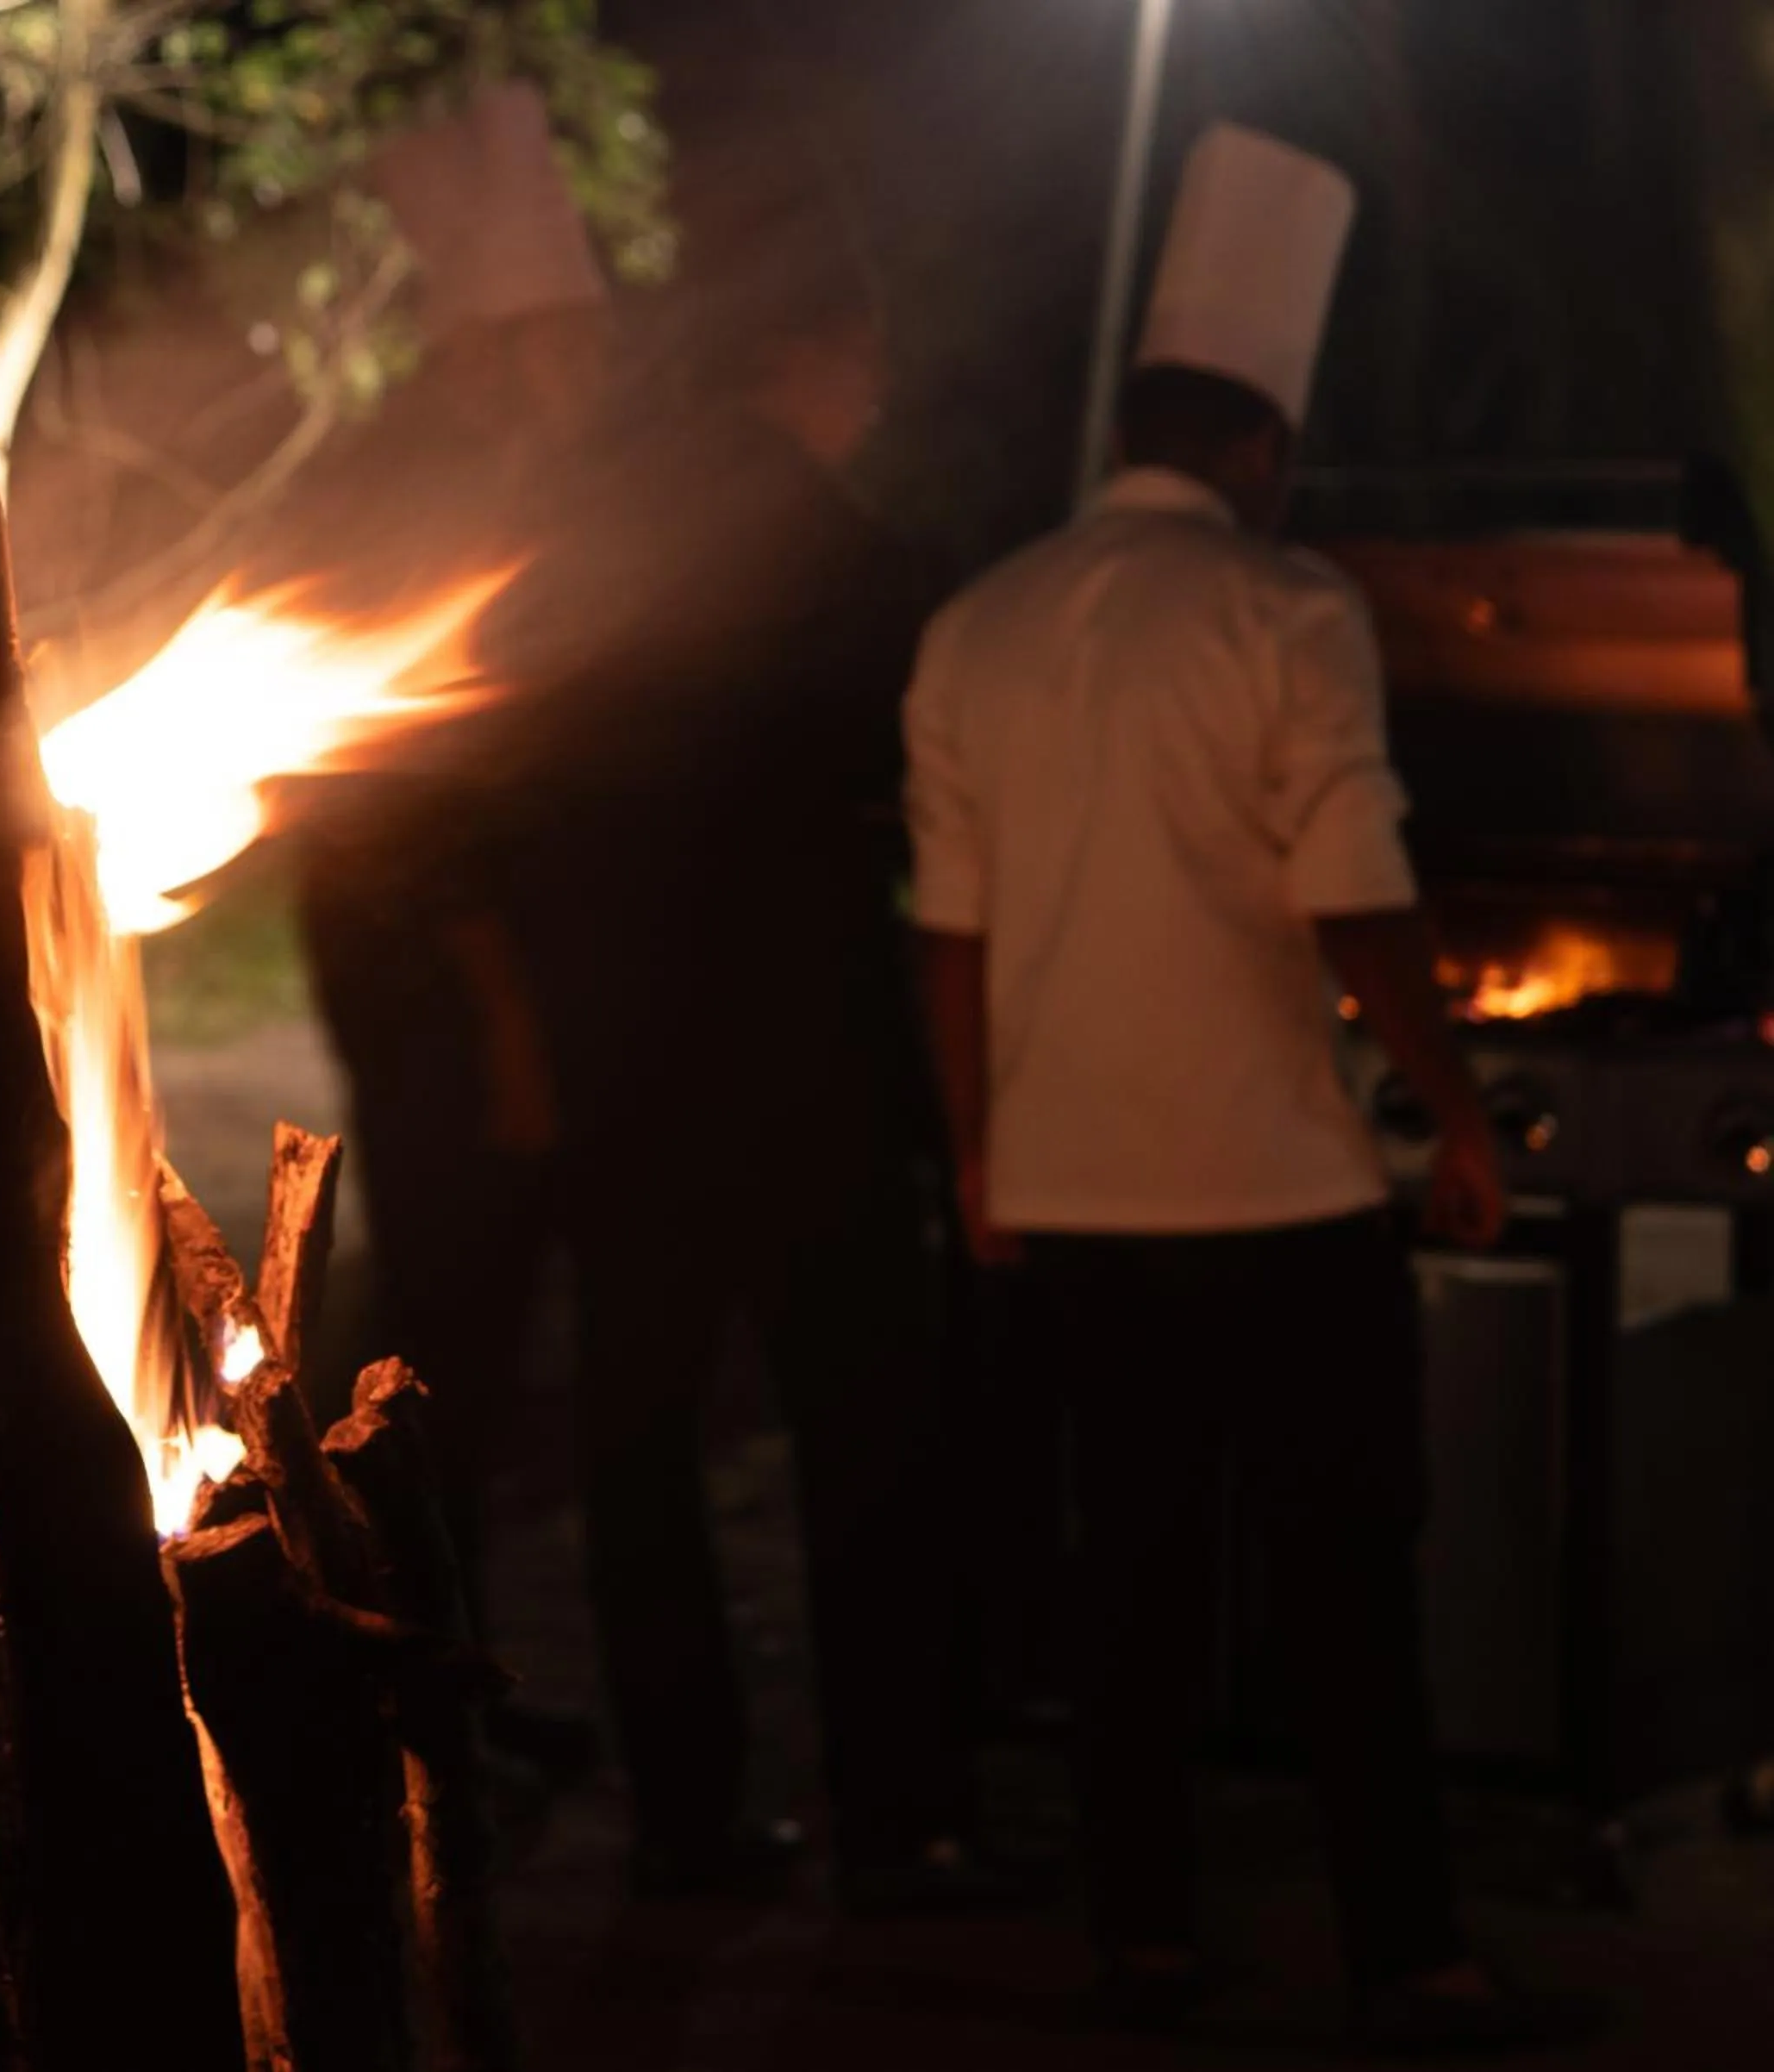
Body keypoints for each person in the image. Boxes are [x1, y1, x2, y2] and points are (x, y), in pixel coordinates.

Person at [903, 123, 1583, 2050]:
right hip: (1280, 1191)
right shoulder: (1291, 614)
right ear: (1264, 443)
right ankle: (1415, 1955)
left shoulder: (979, 626)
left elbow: (943, 934)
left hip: (1075, 1198)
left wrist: (977, 1157)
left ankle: (1143, 1941)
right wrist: (1454, 1114)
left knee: (1123, 1586)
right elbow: (1359, 903)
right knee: (1353, 1586)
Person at [455, 273, 994, 1907]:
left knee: (645, 1456)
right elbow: (936, 785)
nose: (878, 386)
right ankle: (897, 1817)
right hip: (809, 1063)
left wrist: (532, 1048)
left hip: (631, 1074)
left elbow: (493, 825)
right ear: (805, 350)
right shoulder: (849, 558)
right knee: (864, 1449)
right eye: (862, 349)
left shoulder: (589, 548)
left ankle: (691, 1818)